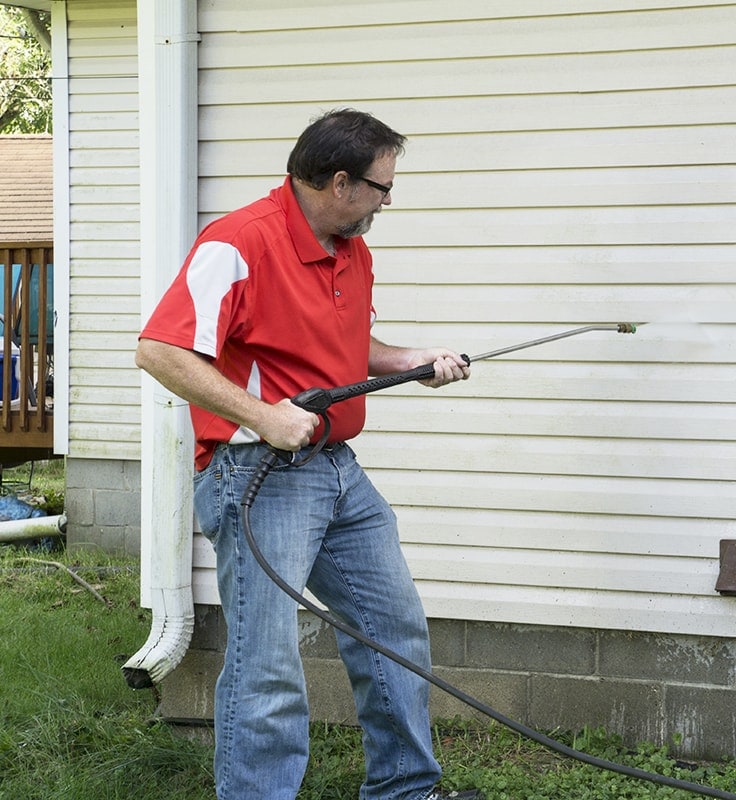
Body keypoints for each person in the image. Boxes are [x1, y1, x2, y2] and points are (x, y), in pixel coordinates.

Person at [136, 109, 477, 800]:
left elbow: (349, 349)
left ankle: (405, 790)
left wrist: (411, 359)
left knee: (393, 628)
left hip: (337, 473)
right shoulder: (237, 243)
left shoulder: (351, 247)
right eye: (384, 188)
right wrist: (264, 416)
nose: (388, 201)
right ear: (342, 182)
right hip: (258, 477)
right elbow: (160, 350)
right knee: (267, 666)